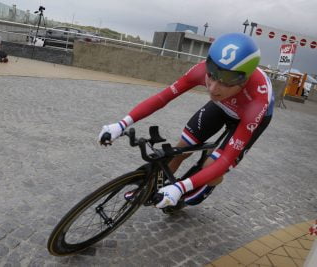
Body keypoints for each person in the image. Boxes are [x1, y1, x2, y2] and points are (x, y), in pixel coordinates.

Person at [98, 33, 274, 209]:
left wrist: (179, 188)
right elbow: (162, 98)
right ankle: (149, 188)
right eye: (211, 75)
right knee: (179, 150)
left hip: (250, 117)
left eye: (226, 83)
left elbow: (227, 159)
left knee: (211, 168)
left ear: (243, 80)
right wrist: (122, 124)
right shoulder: (201, 71)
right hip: (221, 106)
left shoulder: (258, 99)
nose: (212, 88)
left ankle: (196, 190)